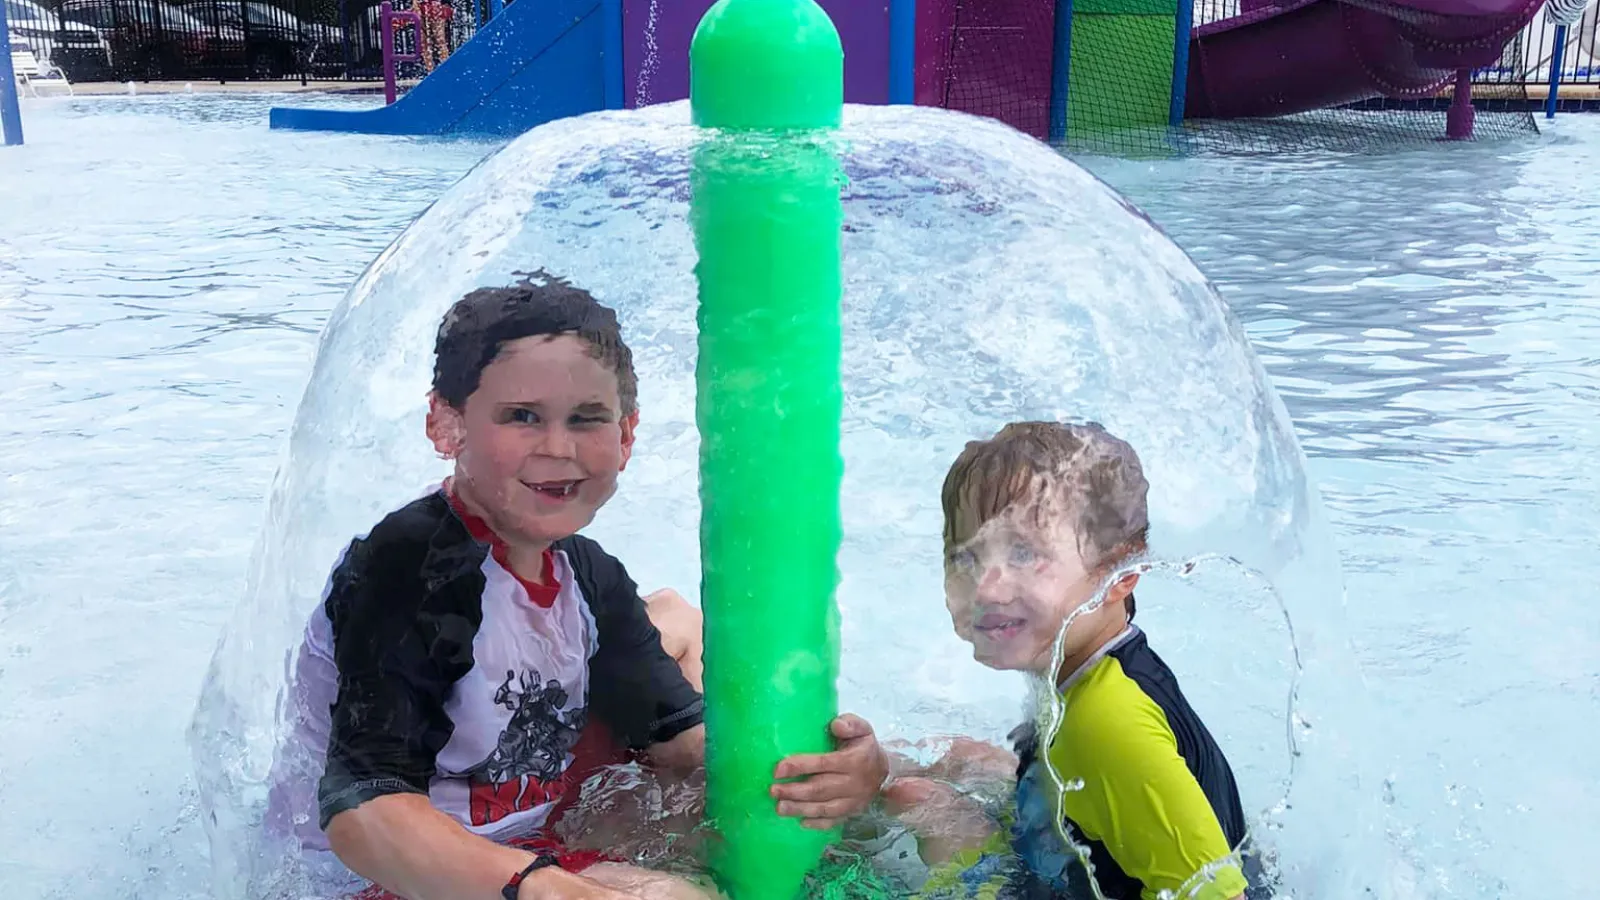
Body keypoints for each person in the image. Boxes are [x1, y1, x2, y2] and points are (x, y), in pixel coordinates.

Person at [265, 272, 889, 900]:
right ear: (446, 425)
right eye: (522, 416)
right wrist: (542, 889)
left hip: (529, 842)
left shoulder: (587, 576)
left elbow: (684, 745)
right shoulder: (409, 571)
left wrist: (836, 774)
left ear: (625, 438)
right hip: (383, 877)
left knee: (800, 823)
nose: (558, 448)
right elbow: (360, 815)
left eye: (587, 419)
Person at [883, 422, 1258, 900]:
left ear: (1122, 572)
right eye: (965, 558)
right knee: (958, 756)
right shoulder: (1088, 669)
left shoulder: (1107, 723)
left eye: (1024, 553)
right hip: (1075, 848)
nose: (986, 588)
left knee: (914, 800)